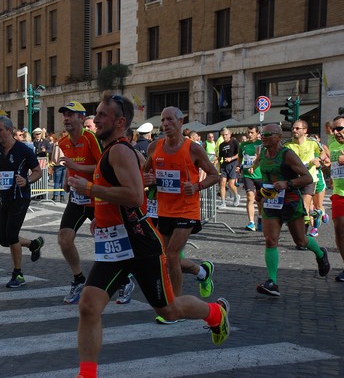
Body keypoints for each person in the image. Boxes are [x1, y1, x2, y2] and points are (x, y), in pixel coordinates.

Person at [69, 93, 230, 378]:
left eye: (103, 115)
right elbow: (132, 186)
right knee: (89, 306)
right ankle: (87, 374)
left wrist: (90, 190)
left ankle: (216, 313)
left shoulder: (119, 150)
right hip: (114, 243)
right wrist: (101, 218)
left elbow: (132, 196)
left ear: (120, 122)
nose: (95, 119)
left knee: (169, 311)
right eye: (96, 114)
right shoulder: (112, 151)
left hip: (140, 242)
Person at [145, 106, 220, 323]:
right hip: (164, 210)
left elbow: (215, 175)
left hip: (187, 210)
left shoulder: (193, 149)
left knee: (173, 255)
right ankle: (202, 272)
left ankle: (175, 308)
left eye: (169, 119)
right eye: (163, 120)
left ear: (181, 122)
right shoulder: (154, 146)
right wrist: (148, 179)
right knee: (165, 258)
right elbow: (145, 171)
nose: (165, 124)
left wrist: (197, 186)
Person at [253, 124, 330, 296]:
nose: (263, 137)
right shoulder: (263, 154)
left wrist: (287, 183)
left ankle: (320, 252)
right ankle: (272, 282)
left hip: (291, 201)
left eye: (268, 134)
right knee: (270, 240)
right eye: (262, 134)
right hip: (271, 202)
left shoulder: (287, 154)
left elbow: (307, 177)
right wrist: (260, 193)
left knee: (300, 241)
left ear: (279, 137)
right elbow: (264, 177)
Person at [0, 116, 45, 288]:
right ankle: (34, 244)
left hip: (21, 197)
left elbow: (37, 171)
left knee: (12, 235)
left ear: (10, 130)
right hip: (5, 198)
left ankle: (18, 274)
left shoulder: (24, 149)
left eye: (0, 130)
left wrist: (27, 180)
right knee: (4, 240)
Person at [56, 101, 103, 304]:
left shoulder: (91, 137)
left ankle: (125, 277)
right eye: (65, 114)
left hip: (96, 196)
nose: (66, 118)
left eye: (71, 115)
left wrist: (77, 166)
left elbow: (104, 168)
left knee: (105, 241)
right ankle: (78, 279)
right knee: (64, 239)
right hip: (76, 198)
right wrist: (68, 177)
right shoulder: (64, 142)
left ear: (81, 118)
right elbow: (70, 164)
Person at [283, 120, 326, 237]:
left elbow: (323, 153)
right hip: (293, 180)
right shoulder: (287, 144)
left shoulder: (312, 142)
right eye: (293, 128)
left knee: (305, 206)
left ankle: (303, 236)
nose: (294, 131)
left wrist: (319, 160)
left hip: (309, 179)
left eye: (297, 128)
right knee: (294, 208)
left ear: (305, 130)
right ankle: (314, 215)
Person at [238, 125, 263, 231]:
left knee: (260, 199)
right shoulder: (243, 145)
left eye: (252, 132)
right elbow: (240, 157)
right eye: (248, 132)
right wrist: (238, 166)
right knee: (249, 197)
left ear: (257, 133)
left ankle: (261, 219)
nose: (249, 134)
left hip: (260, 175)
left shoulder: (261, 144)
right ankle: (251, 222)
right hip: (247, 174)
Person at [328, 117, 344, 281]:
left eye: (339, 128)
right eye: (334, 129)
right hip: (338, 193)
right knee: (340, 232)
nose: (336, 132)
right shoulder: (332, 145)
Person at [217, 127, 240, 208]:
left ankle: (236, 195)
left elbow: (239, 154)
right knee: (222, 183)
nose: (224, 136)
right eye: (223, 135)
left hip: (233, 163)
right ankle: (223, 202)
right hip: (224, 165)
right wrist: (217, 163)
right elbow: (220, 157)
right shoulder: (221, 145)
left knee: (230, 184)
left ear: (230, 134)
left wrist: (232, 158)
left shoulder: (234, 142)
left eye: (226, 135)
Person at [48, 132, 67, 202]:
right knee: (63, 181)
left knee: (56, 181)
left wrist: (52, 162)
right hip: (65, 164)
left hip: (57, 164)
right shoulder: (67, 143)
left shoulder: (56, 144)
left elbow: (53, 155)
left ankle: (55, 196)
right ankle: (62, 197)